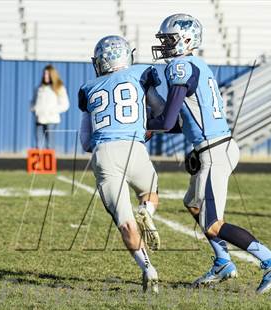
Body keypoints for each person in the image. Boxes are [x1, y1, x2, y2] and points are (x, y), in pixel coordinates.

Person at [149, 14, 271, 294]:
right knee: (193, 203)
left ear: (186, 40)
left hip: (213, 151)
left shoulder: (180, 66)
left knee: (212, 223)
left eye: (169, 39)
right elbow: (179, 124)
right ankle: (223, 262)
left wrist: (146, 126)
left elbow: (166, 122)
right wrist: (151, 93)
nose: (164, 45)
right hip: (213, 147)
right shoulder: (196, 64)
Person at [79, 35, 164, 293]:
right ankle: (147, 213)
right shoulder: (141, 73)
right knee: (150, 195)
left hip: (104, 152)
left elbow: (85, 142)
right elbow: (159, 108)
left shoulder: (88, 88)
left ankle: (148, 269)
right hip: (134, 148)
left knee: (126, 223)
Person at [31, 65, 70, 149]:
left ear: (52, 75)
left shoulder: (59, 88)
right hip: (39, 118)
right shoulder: (39, 88)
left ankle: (50, 161)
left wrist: (52, 111)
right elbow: (33, 101)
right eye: (44, 74)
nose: (45, 76)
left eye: (48, 74)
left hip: (51, 120)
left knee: (50, 144)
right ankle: (39, 161)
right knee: (39, 143)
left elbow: (65, 105)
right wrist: (34, 109)